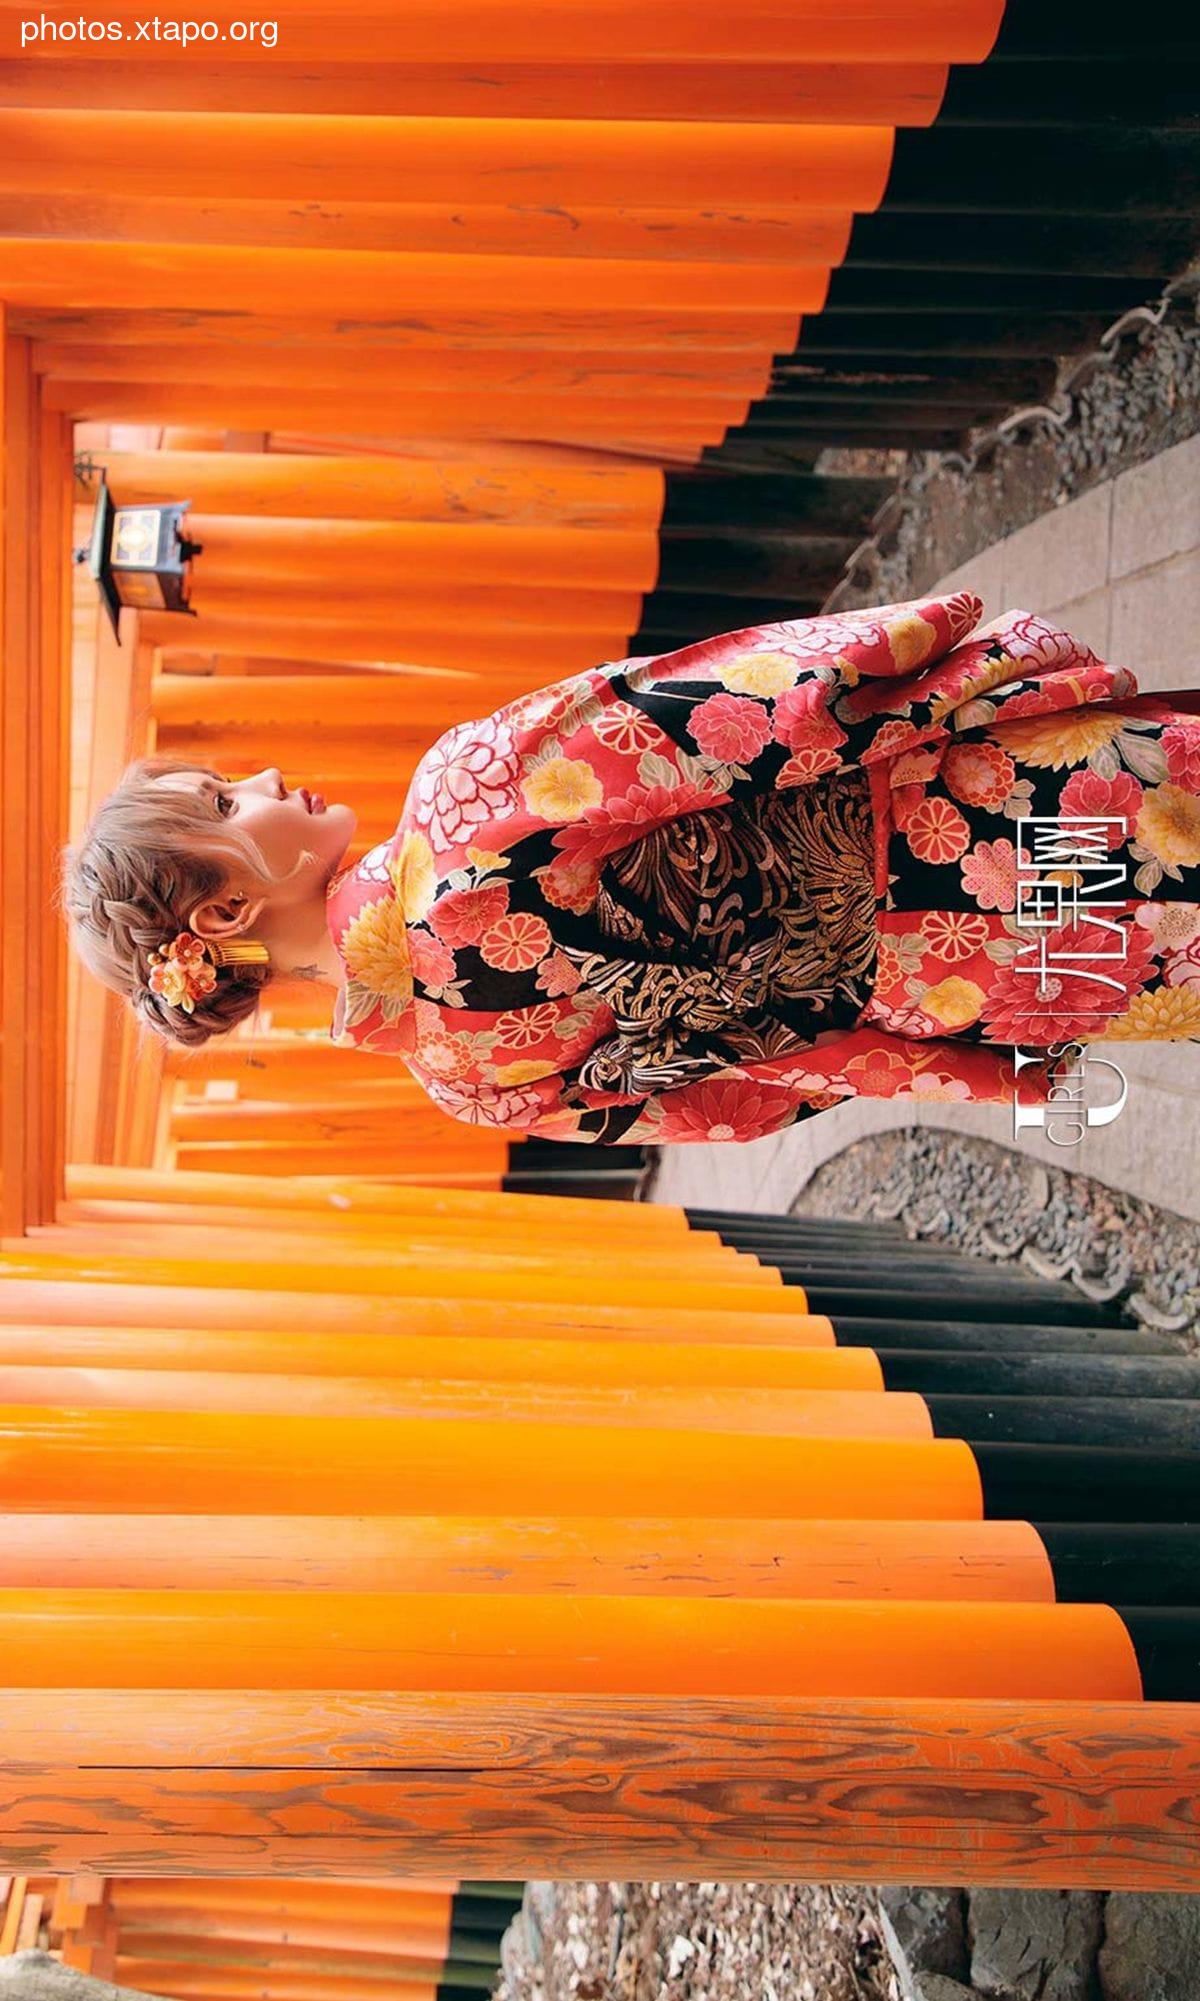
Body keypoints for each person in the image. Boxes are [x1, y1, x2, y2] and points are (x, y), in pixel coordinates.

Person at [63, 593, 1200, 1147]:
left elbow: (734, 1109)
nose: (261, 776)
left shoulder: (465, 1079)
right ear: (223, 911)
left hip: (964, 981)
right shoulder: (461, 806)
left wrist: (877, 1023)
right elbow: (747, 704)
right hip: (978, 816)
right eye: (224, 802)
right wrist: (950, 648)